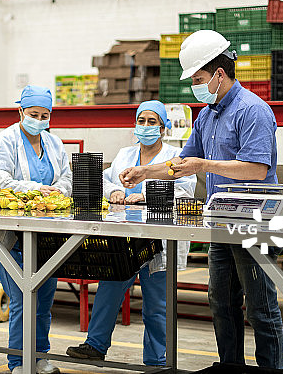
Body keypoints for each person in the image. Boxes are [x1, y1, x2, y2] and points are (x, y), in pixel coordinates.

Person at [118, 30, 283, 369]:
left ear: (219, 74)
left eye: (199, 78)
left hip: (257, 221)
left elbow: (255, 169)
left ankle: (272, 368)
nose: (195, 85)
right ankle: (231, 366)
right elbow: (181, 165)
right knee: (221, 300)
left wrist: (204, 165)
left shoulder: (253, 110)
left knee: (260, 305)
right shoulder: (207, 115)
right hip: (223, 219)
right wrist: (144, 173)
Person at [65, 100, 196, 366]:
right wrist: (115, 192)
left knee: (157, 305)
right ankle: (95, 345)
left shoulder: (177, 156)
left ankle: (157, 361)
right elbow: (105, 179)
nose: (145, 127)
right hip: (124, 238)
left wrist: (143, 194)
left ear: (163, 128)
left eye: (152, 122)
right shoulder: (125, 154)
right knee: (108, 289)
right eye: (141, 121)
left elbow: (185, 191)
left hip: (158, 239)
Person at [0, 85, 72, 374]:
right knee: (21, 301)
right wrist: (36, 190)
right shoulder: (4, 142)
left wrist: (56, 190)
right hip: (14, 237)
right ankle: (18, 362)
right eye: (33, 114)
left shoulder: (54, 143)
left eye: (45, 115)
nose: (40, 120)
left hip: (48, 235)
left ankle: (40, 357)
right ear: (20, 111)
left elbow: (67, 178)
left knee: (44, 301)